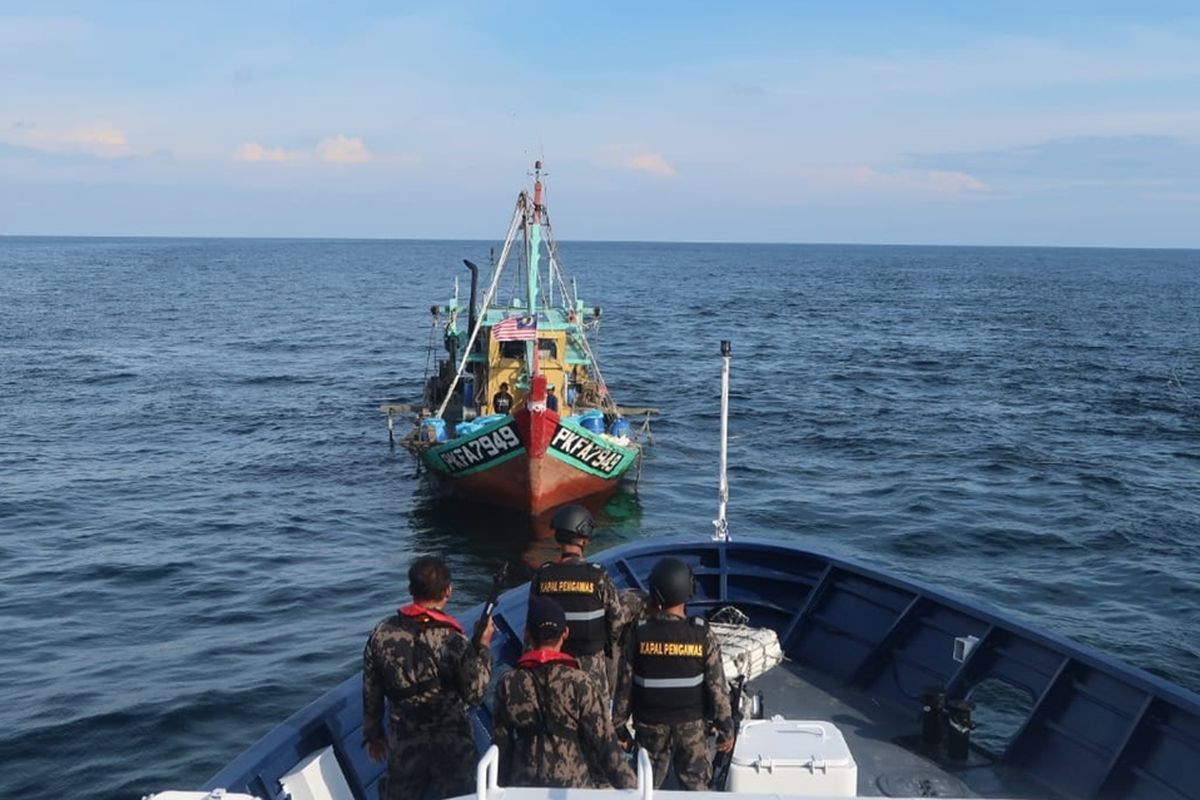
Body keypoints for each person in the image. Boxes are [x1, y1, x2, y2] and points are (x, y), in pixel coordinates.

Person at [362, 555, 494, 800]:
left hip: (405, 742)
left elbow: (372, 690)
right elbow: (475, 693)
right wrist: (483, 647)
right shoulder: (454, 639)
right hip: (451, 742)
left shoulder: (381, 635)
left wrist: (373, 736)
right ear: (448, 591)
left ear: (411, 589)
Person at [613, 557, 734, 790]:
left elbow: (624, 688)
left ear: (656, 593)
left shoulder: (638, 635)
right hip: (692, 732)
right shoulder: (702, 635)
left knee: (646, 787)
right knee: (697, 789)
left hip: (650, 731)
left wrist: (619, 727)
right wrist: (726, 729)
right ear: (688, 591)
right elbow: (717, 689)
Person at [492, 596, 637, 789]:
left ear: (527, 633)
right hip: (572, 786)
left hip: (524, 786)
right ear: (565, 633)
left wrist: (500, 788)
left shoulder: (508, 683)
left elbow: (501, 746)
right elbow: (605, 745)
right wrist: (633, 789)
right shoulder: (580, 682)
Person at [529, 504, 620, 700]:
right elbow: (616, 624)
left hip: (553, 667)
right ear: (585, 539)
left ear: (557, 537)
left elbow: (532, 625)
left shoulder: (543, 575)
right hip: (591, 668)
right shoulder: (598, 575)